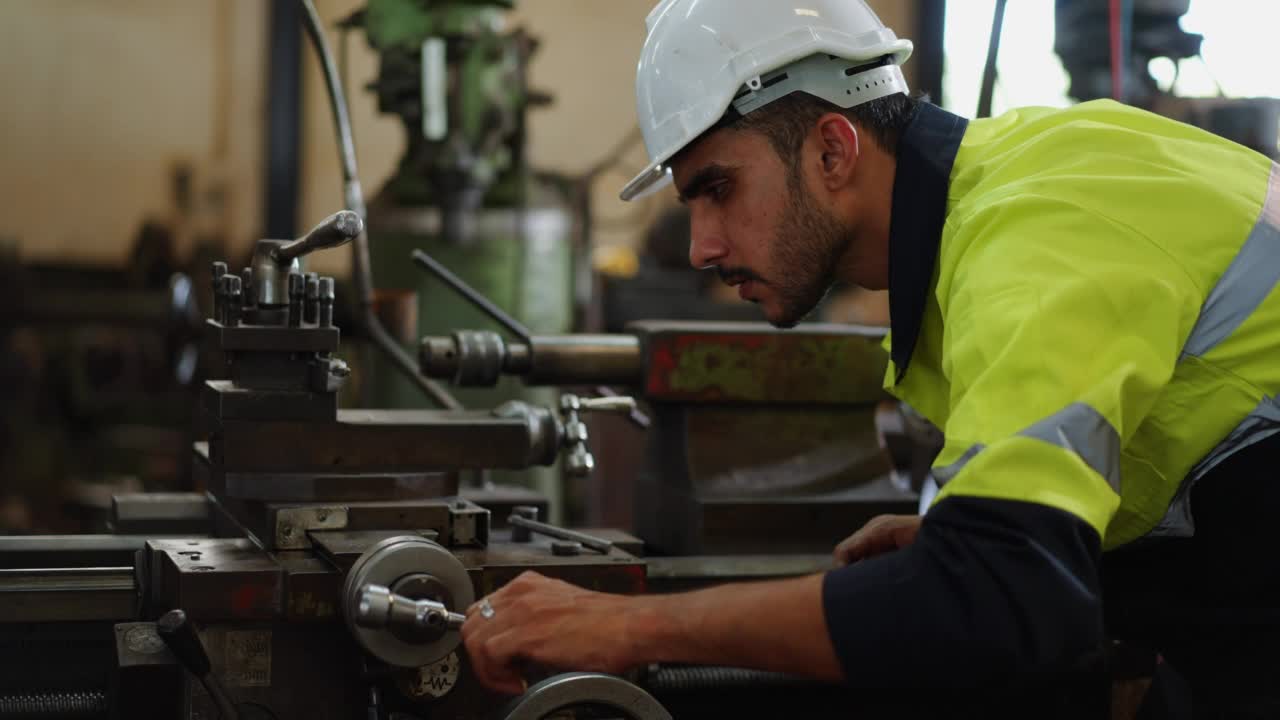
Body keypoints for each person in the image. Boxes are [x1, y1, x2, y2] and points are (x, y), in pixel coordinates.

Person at [462, 1, 1280, 715]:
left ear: (832, 150)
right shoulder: (1015, 183)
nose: (703, 246)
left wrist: (624, 627)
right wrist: (975, 528)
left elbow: (995, 603)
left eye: (719, 188)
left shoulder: (1038, 234)